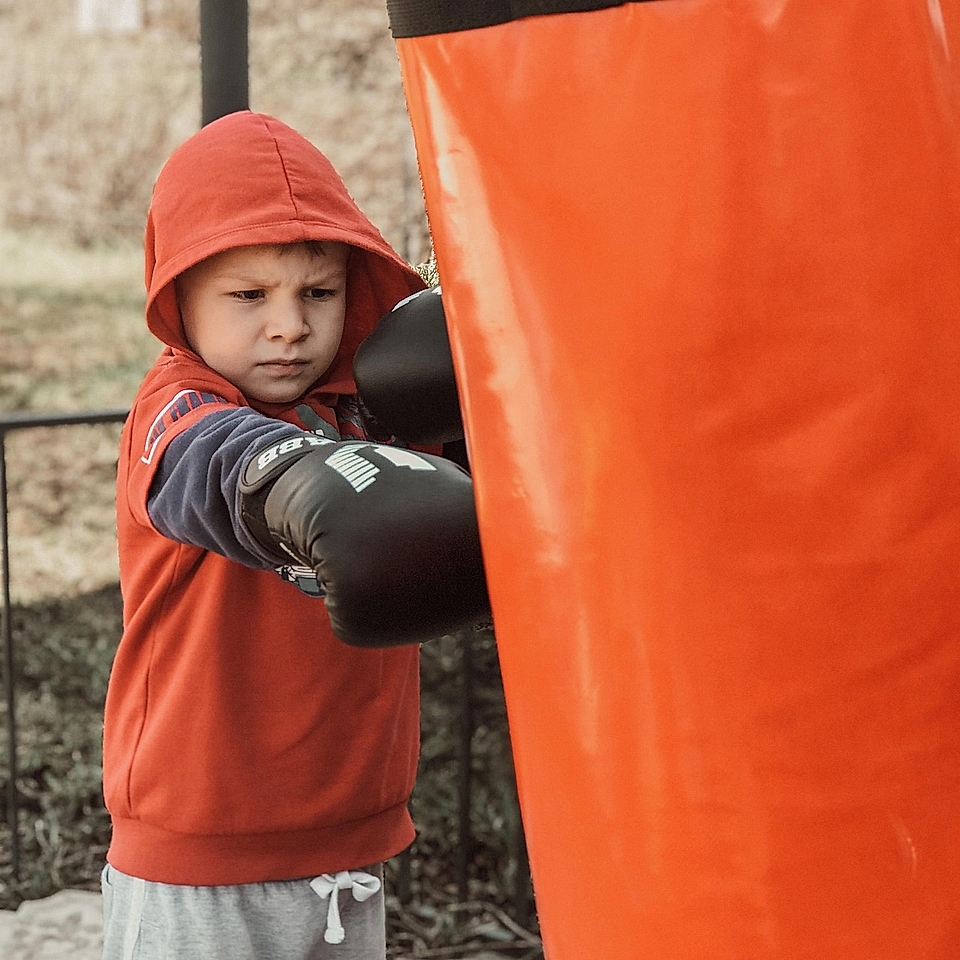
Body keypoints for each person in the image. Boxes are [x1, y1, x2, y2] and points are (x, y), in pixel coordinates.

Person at [101, 111, 488, 960]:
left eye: (317, 293)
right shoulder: (178, 409)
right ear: (180, 296)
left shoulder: (366, 411)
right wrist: (295, 474)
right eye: (249, 295)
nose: (288, 326)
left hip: (348, 842)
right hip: (197, 857)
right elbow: (212, 464)